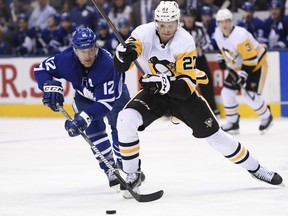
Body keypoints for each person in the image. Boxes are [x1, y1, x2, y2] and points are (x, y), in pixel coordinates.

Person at [113, 1, 283, 198]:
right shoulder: (143, 32)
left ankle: (256, 168)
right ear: (155, 22)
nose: (166, 29)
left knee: (216, 137)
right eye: (162, 25)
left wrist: (163, 83)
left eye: (171, 25)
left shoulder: (184, 41)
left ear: (178, 22)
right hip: (154, 94)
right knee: (125, 119)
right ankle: (133, 173)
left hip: (182, 95)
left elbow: (185, 88)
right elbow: (121, 65)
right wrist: (122, 55)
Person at [34, 27, 128, 188]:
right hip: (85, 97)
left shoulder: (106, 65)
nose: (88, 55)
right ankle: (110, 168)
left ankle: (128, 166)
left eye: (91, 50)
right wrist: (48, 86)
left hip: (115, 98)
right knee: (94, 131)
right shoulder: (65, 60)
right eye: (83, 51)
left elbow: (105, 103)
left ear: (96, 47)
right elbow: (40, 69)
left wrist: (82, 118)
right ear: (75, 50)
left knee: (121, 131)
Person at [214, 8, 273, 135]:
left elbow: (251, 58)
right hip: (239, 67)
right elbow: (225, 48)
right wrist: (221, 57)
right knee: (227, 92)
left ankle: (267, 116)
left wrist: (243, 75)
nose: (224, 25)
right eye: (221, 22)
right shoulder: (217, 33)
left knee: (249, 95)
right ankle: (233, 122)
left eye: (227, 21)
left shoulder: (240, 35)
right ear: (217, 23)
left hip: (257, 65)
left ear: (231, 21)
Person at [181, 7, 220, 117]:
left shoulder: (200, 27)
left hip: (200, 59)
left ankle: (212, 108)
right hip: (186, 61)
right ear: (183, 18)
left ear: (194, 18)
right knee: (184, 84)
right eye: (187, 17)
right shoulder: (179, 30)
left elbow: (208, 43)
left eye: (191, 17)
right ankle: (180, 110)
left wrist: (202, 48)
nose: (189, 19)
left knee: (206, 82)